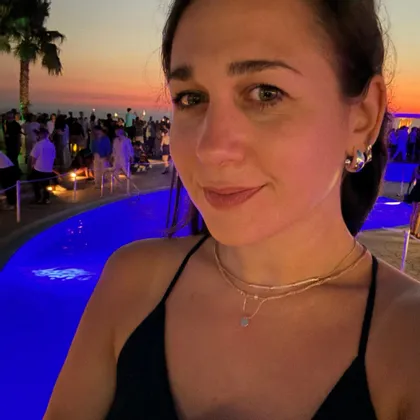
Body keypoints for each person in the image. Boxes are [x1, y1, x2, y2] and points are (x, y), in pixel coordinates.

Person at [45, 1, 420, 419]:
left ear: (363, 117)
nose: (210, 148)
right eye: (191, 98)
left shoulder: (406, 344)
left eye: (266, 93)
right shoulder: (132, 284)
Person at [29, 127, 56, 204]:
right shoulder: (51, 145)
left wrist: (32, 166)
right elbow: (54, 157)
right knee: (46, 184)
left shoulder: (38, 144)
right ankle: (46, 199)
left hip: (39, 168)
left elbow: (33, 158)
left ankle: (38, 198)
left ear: (41, 135)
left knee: (35, 183)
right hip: (48, 169)